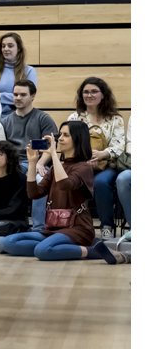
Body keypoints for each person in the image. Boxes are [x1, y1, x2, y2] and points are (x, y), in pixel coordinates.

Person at [0, 122, 97, 260]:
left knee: (42, 250)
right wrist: (32, 163)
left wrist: (54, 155)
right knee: (8, 242)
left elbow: (65, 184)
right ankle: (53, 248)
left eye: (65, 135)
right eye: (60, 134)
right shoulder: (55, 169)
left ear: (78, 138)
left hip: (77, 228)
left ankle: (93, 251)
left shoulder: (84, 167)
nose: (60, 138)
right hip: (53, 228)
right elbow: (34, 193)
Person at [66, 76, 126, 239]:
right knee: (69, 181)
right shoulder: (74, 118)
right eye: (86, 92)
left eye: (94, 91)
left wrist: (101, 154)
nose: (89, 95)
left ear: (103, 95)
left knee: (100, 183)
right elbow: (66, 143)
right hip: (80, 164)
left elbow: (119, 145)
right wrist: (84, 160)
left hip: (106, 165)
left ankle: (106, 225)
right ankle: (71, 224)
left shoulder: (115, 119)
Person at [1, 79, 58, 231]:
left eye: (23, 94)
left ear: (32, 96)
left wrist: (40, 163)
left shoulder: (43, 118)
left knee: (40, 180)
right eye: (15, 94)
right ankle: (10, 224)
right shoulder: (5, 121)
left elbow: (50, 146)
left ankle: (39, 228)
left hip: (37, 163)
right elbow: (3, 150)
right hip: (14, 165)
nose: (18, 98)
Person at [0, 32, 38, 118]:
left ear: (18, 49)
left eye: (10, 46)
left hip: (18, 118)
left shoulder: (29, 71)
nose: (5, 49)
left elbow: (27, 98)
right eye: (3, 46)